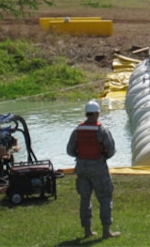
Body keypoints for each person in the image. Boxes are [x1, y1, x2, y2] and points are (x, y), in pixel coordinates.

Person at [66, 100, 120, 239]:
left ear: (86, 113)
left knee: (85, 199)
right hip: (98, 167)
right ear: (97, 113)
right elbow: (111, 150)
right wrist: (102, 158)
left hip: (82, 168)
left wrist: (82, 156)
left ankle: (87, 230)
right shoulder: (101, 130)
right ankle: (106, 231)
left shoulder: (78, 130)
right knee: (105, 198)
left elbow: (70, 150)